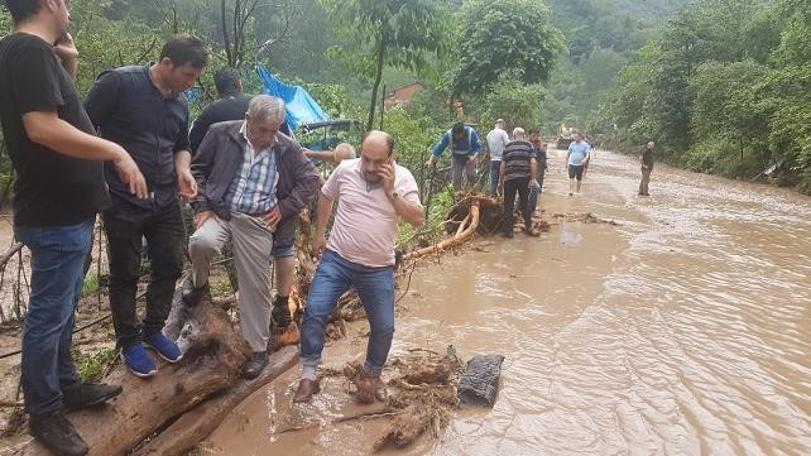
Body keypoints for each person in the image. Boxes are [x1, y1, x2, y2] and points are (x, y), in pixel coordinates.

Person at [0, 0, 148, 453]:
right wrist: (116, 151)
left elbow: (61, 114)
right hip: (56, 210)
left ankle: (65, 384)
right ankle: (45, 411)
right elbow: (44, 129)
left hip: (68, 209)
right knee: (48, 317)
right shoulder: (26, 51)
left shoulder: (34, 54)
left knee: (61, 309)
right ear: (49, 3)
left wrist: (69, 63)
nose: (68, 10)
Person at [84, 35, 208, 378]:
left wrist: (183, 169)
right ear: (167, 63)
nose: (190, 83)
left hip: (166, 199)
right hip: (122, 199)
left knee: (169, 263)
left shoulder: (180, 104)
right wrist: (112, 161)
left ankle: (154, 330)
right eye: (187, 75)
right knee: (125, 271)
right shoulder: (119, 83)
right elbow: (80, 128)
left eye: (195, 78)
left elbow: (181, 145)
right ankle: (130, 342)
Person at [184, 96, 320, 378]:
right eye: (263, 130)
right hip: (221, 211)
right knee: (200, 242)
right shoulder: (221, 133)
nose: (270, 137)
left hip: (256, 220)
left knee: (255, 286)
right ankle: (198, 285)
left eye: (275, 130)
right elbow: (197, 170)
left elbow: (311, 179)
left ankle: (257, 350)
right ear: (248, 119)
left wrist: (284, 207)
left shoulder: (285, 147)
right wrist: (203, 205)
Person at [294, 131, 425, 403]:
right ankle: (308, 376)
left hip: (378, 267)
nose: (370, 167)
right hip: (338, 258)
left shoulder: (403, 178)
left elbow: (417, 219)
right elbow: (326, 195)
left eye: (378, 162)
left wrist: (392, 193)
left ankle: (371, 375)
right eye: (366, 159)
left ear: (392, 158)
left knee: (384, 327)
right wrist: (320, 233)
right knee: (316, 310)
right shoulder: (345, 169)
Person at [188, 67, 291, 154]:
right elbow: (286, 139)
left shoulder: (210, 111)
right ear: (238, 84)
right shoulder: (261, 105)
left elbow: (192, 145)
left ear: (217, 90)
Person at [498, 128, 537, 238]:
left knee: (508, 204)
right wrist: (533, 178)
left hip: (509, 178)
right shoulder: (529, 145)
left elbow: (503, 165)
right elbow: (533, 162)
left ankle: (508, 231)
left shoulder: (508, 146)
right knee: (525, 203)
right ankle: (529, 226)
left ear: (513, 135)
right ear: (523, 135)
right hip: (524, 178)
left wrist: (500, 182)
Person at [425, 122, 482, 191]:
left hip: (469, 156)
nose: (457, 136)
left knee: (471, 175)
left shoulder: (471, 133)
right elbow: (439, 148)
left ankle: (474, 192)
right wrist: (430, 161)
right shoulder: (448, 135)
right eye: (455, 135)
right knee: (456, 178)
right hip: (457, 158)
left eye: (458, 135)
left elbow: (478, 147)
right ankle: (458, 195)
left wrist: (474, 157)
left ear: (463, 132)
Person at [486, 119, 510, 196]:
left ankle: (492, 196)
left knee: (494, 181)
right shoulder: (503, 133)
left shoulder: (489, 134)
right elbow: (508, 145)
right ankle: (504, 197)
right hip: (503, 160)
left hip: (493, 160)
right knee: (504, 179)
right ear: (501, 124)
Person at [527, 128, 547, 214]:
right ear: (529, 136)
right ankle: (528, 207)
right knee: (531, 188)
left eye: (537, 136)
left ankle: (533, 208)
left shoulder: (540, 145)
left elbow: (543, 155)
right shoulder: (527, 144)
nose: (535, 137)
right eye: (533, 136)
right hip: (529, 168)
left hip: (539, 168)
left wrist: (540, 146)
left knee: (537, 187)